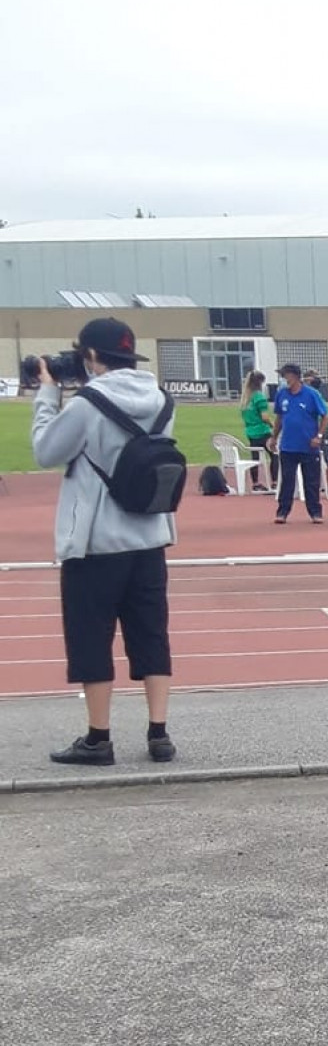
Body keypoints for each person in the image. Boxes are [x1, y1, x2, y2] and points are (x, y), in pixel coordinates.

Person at [29, 314, 179, 765]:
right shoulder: (161, 399)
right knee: (151, 634)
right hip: (150, 536)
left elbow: (46, 451)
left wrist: (48, 394)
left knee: (91, 637)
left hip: (96, 542)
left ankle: (98, 738)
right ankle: (159, 734)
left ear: (91, 355)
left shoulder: (88, 403)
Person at [271, 362, 328, 524]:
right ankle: (282, 512)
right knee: (287, 481)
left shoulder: (311, 394)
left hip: (308, 447)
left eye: (286, 375)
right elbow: (279, 418)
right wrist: (274, 437)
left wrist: (318, 436)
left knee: (311, 482)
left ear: (295, 376)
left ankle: (315, 513)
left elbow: (325, 416)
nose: (284, 379)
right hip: (288, 446)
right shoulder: (282, 394)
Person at [241, 368, 277, 489]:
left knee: (255, 457)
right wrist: (273, 425)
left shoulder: (246, 399)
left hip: (250, 432)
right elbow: (264, 417)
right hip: (262, 431)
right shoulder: (259, 397)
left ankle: (255, 483)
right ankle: (275, 481)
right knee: (274, 454)